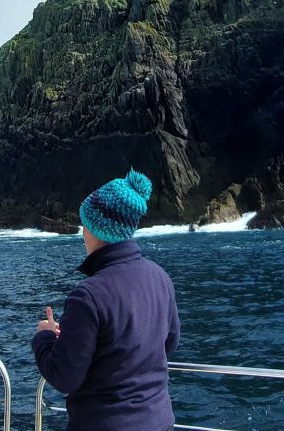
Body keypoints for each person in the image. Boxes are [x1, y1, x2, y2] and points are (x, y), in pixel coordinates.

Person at [32, 169, 180, 431]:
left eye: (84, 224)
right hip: (159, 422)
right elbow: (168, 344)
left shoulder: (87, 296)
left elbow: (65, 377)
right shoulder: (161, 278)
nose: (82, 232)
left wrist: (45, 338)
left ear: (95, 228)